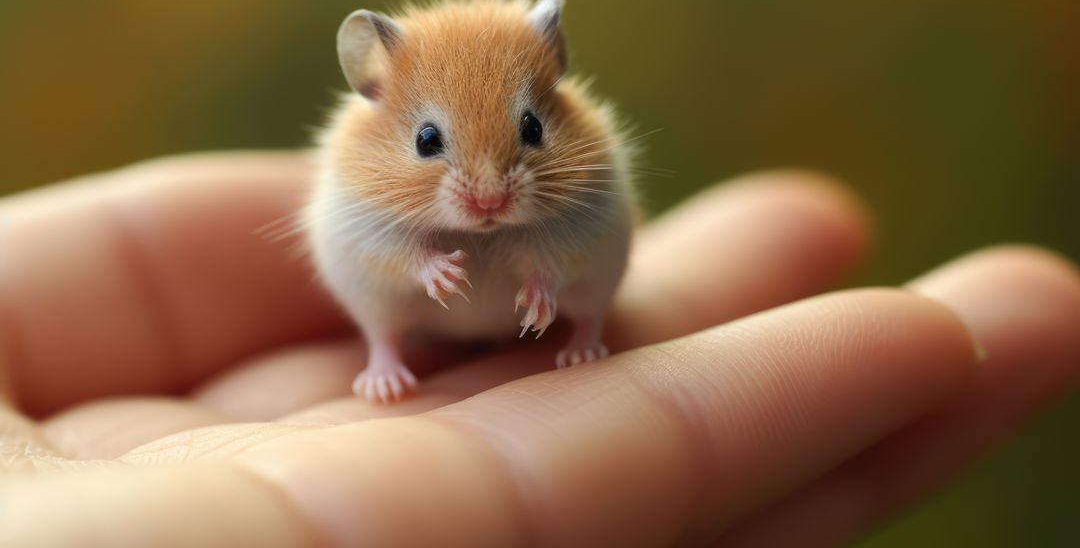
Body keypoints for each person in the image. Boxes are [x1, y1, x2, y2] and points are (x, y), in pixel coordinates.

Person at [1, 153, 1077, 546]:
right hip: (405, 321)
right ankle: (390, 348)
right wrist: (414, 277)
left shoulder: (578, 176)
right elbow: (362, 246)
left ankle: (592, 330)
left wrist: (557, 289)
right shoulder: (358, 180)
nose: (482, 186)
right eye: (435, 146)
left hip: (563, 312)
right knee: (373, 283)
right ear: (377, 99)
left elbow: (581, 236)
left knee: (593, 266)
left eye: (517, 137)